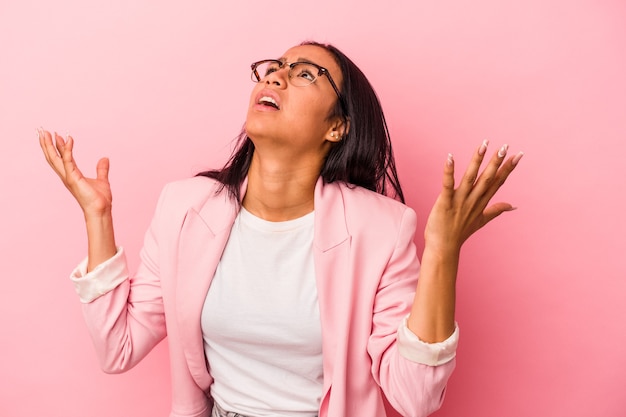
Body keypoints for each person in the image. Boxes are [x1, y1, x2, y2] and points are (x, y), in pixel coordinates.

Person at [39, 41, 523, 417]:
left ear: (337, 127)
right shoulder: (184, 208)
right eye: (274, 68)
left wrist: (441, 251)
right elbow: (116, 348)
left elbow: (415, 396)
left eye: (305, 73)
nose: (277, 76)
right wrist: (97, 216)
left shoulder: (382, 228)